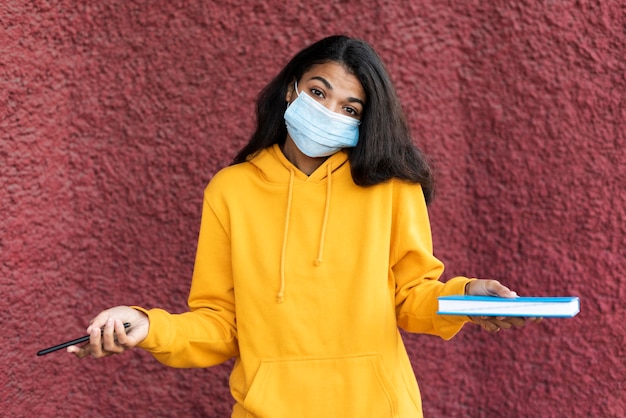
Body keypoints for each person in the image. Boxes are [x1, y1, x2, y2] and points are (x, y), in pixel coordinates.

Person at [69, 35, 538, 417]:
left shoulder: (391, 187)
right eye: (318, 92)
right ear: (291, 89)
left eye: (349, 108)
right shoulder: (231, 190)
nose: (329, 113)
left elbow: (412, 296)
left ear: (364, 120)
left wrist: (466, 297)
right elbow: (221, 323)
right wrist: (148, 326)